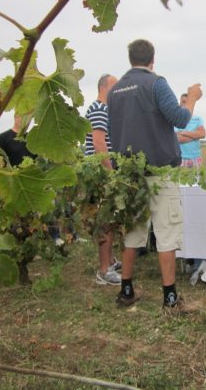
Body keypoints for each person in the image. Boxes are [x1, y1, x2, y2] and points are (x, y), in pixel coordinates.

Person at [107, 39, 202, 313]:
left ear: (130, 59)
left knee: (133, 234)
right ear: (152, 59)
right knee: (166, 233)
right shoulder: (156, 83)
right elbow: (180, 118)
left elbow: (114, 135)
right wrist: (192, 97)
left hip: (130, 176)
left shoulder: (115, 91)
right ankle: (170, 300)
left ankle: (126, 291)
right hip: (159, 173)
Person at [84, 73, 122, 286]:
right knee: (104, 221)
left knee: (108, 220)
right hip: (100, 174)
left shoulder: (102, 109)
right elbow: (99, 144)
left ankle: (110, 260)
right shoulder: (99, 109)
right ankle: (104, 270)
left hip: (102, 172)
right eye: (114, 87)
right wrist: (110, 172)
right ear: (103, 88)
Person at [175, 93, 206, 168]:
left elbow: (202, 134)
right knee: (181, 180)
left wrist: (183, 132)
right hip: (181, 158)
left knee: (198, 179)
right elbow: (177, 139)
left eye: (187, 102)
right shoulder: (176, 120)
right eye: (183, 102)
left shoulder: (198, 119)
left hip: (196, 158)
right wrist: (195, 135)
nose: (184, 104)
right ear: (179, 103)